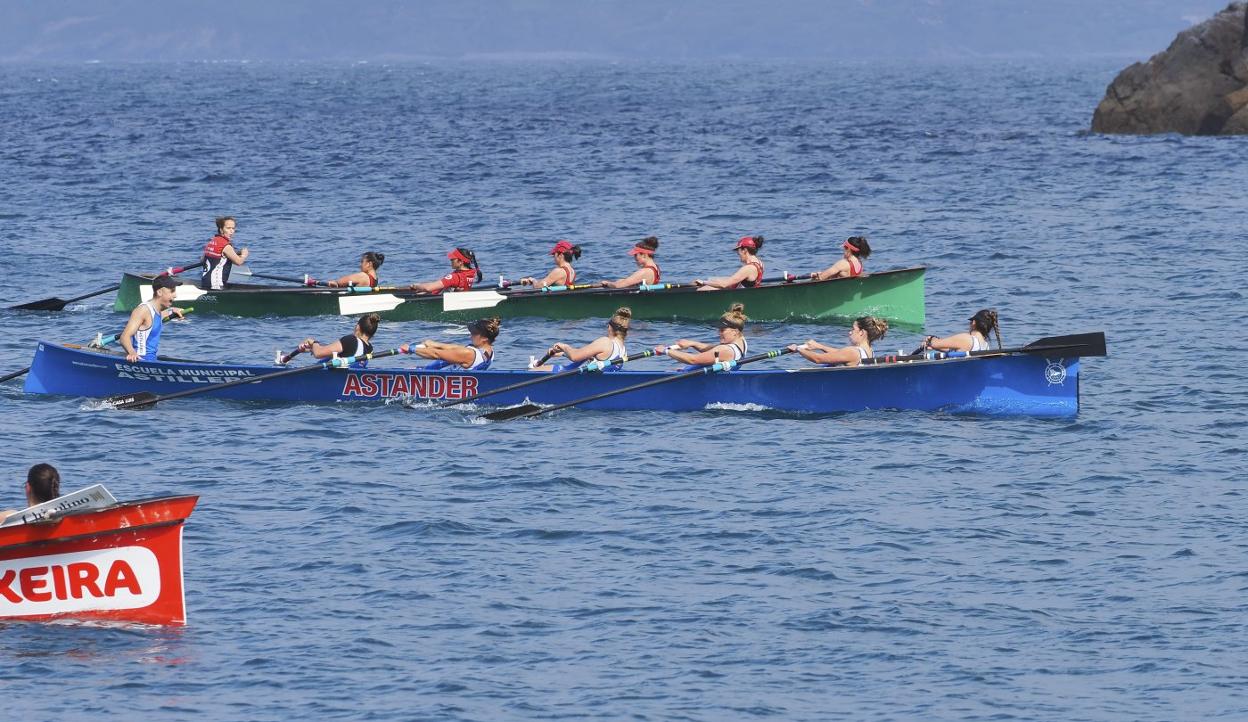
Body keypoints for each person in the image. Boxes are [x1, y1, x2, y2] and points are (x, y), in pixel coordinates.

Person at [531, 307, 631, 372]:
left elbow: (575, 357)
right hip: (597, 383)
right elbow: (588, 357)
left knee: (532, 371)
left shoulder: (605, 342)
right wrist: (563, 353)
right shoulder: (623, 350)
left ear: (610, 327)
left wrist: (564, 346)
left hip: (578, 381)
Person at [120, 275, 186, 362]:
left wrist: (172, 310)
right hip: (141, 360)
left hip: (152, 359)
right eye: (172, 291)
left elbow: (156, 318)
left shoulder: (156, 311)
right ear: (159, 292)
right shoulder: (143, 310)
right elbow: (124, 337)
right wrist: (132, 353)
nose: (175, 295)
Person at [662, 303, 749, 367]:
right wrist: (693, 344)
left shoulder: (725, 350)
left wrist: (666, 351)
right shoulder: (741, 340)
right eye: (719, 329)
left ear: (735, 332)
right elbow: (714, 350)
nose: (719, 333)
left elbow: (693, 360)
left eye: (722, 330)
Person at [789, 316, 889, 367]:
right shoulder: (870, 351)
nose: (850, 332)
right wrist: (820, 347)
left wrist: (798, 349)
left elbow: (818, 359)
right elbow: (839, 353)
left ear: (862, 332)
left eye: (853, 329)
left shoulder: (852, 351)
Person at [407, 317, 499, 370]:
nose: (471, 336)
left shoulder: (469, 354)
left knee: (409, 369)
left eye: (474, 333)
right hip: (458, 381)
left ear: (485, 338)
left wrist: (411, 349)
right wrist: (435, 344)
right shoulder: (489, 351)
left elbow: (436, 354)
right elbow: (457, 348)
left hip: (442, 382)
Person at [296, 313, 381, 368]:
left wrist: (313, 342)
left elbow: (319, 354)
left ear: (357, 327)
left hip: (328, 379)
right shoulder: (370, 348)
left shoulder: (351, 340)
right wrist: (311, 349)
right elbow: (344, 355)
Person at [694, 236, 765, 290]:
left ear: (744, 250)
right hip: (742, 292)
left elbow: (724, 284)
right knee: (712, 281)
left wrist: (703, 282)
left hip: (737, 297)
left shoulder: (748, 268)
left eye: (738, 250)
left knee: (701, 290)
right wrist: (711, 281)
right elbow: (735, 279)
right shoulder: (760, 263)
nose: (738, 253)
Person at [200, 216, 249, 290]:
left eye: (233, 228)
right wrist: (244, 255)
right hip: (216, 285)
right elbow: (239, 262)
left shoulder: (212, 241)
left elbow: (202, 260)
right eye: (228, 228)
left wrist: (233, 254)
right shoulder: (226, 245)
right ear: (221, 230)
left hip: (205, 282)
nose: (231, 231)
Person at [923, 309, 1001, 353]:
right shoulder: (986, 346)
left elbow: (934, 344)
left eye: (970, 321)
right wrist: (938, 347)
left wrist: (931, 338)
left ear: (974, 323)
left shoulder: (966, 339)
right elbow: (957, 349)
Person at [409, 248, 482, 294]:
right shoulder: (470, 274)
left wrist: (416, 286)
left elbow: (428, 288)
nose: (450, 260)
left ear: (460, 262)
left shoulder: (454, 277)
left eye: (453, 259)